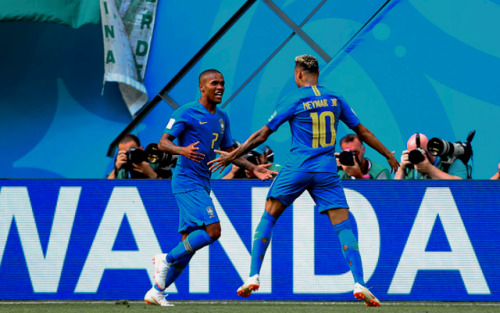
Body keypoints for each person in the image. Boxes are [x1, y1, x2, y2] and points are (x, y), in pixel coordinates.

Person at [208, 55, 399, 307]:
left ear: (298, 74)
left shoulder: (294, 98)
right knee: (343, 226)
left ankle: (253, 275)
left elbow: (263, 134)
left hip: (297, 168)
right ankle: (359, 281)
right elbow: (362, 131)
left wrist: (234, 154)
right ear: (317, 73)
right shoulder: (336, 98)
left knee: (269, 216)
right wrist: (387, 154)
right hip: (326, 171)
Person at [143, 69, 276, 306]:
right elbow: (162, 143)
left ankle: (156, 291)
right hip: (186, 180)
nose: (220, 87)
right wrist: (182, 150)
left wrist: (253, 168)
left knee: (188, 245)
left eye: (223, 83)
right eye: (215, 83)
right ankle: (164, 259)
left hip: (203, 183)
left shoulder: (222, 117)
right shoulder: (186, 111)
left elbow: (227, 153)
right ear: (201, 87)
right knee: (213, 231)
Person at [394, 133, 469, 180]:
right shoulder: (409, 165)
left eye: (423, 151)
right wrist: (401, 168)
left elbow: (460, 186)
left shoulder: (450, 161)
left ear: (430, 148)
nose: (418, 156)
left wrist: (430, 169)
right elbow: (394, 192)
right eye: (413, 153)